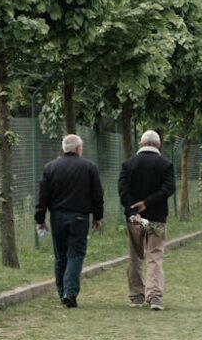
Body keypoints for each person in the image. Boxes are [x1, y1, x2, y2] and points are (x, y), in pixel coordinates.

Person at [35, 134, 104, 308]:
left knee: (60, 256)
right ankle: (70, 292)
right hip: (80, 216)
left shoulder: (50, 167)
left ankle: (62, 293)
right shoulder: (89, 167)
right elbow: (97, 194)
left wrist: (40, 219)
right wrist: (97, 216)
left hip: (57, 216)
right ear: (78, 148)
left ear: (64, 148)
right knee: (75, 254)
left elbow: (43, 196)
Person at [118, 129, 176, 310]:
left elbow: (123, 191)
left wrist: (132, 209)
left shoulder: (128, 165)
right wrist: (148, 202)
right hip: (156, 218)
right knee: (155, 256)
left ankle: (136, 296)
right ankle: (155, 297)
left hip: (135, 219)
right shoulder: (165, 165)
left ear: (141, 143)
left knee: (135, 255)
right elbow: (168, 189)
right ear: (158, 145)